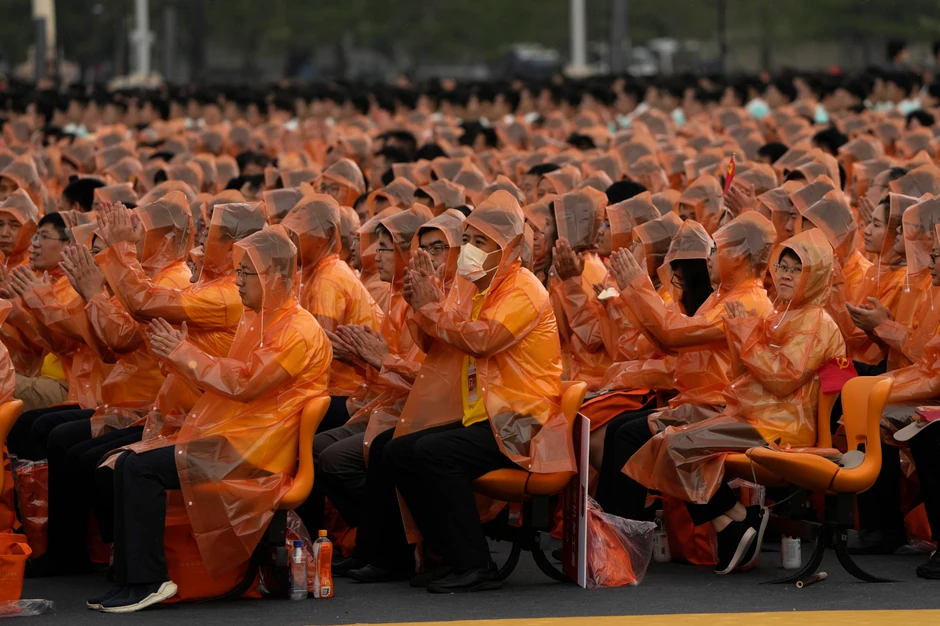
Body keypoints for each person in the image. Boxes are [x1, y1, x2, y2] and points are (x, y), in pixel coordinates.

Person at [88, 227, 332, 612]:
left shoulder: (298, 330)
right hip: (233, 439)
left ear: (279, 278)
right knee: (122, 463)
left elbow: (246, 384)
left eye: (248, 273)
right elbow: (226, 380)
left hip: (253, 452)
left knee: (138, 469)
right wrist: (174, 356)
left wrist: (185, 353)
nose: (239, 281)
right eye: (239, 271)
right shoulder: (262, 320)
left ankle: (149, 580)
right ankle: (128, 579)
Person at [621, 230, 845, 574]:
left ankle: (736, 522)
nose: (785, 275)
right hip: (755, 415)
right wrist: (740, 334)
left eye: (796, 270)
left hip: (780, 427)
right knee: (668, 443)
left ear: (814, 277)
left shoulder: (814, 321)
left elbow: (781, 380)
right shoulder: (781, 313)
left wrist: (744, 336)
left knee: (675, 444)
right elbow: (746, 373)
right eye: (782, 266)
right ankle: (736, 519)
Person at [281, 194, 383, 430]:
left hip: (348, 391)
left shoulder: (328, 281)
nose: (292, 243)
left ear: (325, 237)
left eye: (299, 235)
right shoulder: (313, 274)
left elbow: (313, 357)